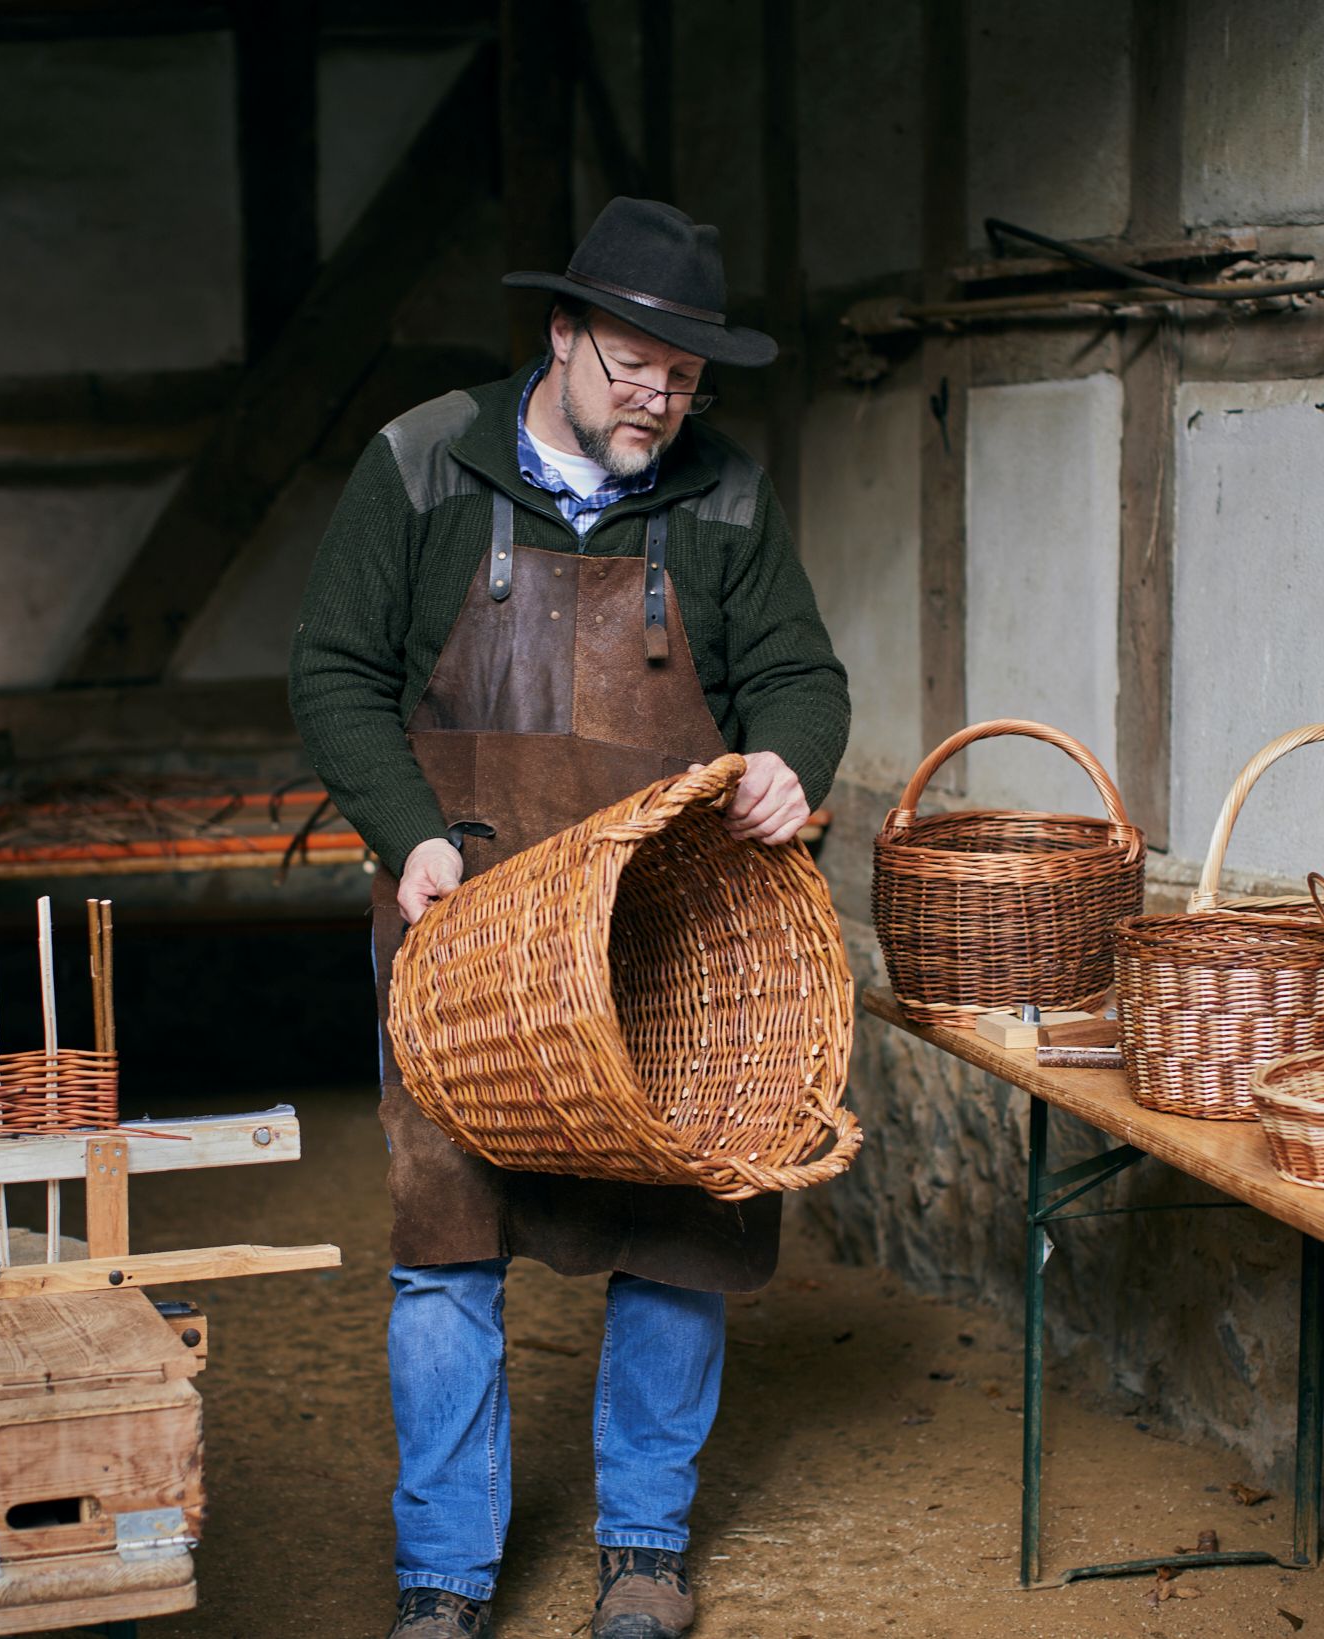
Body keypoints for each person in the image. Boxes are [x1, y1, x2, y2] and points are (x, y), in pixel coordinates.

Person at [289, 196, 852, 1639]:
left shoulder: (722, 495)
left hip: (649, 940)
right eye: (630, 363)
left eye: (682, 375)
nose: (656, 396)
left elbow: (798, 671)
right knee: (443, 1247)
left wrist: (792, 756)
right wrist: (407, 837)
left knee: (677, 1232)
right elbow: (335, 673)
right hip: (459, 911)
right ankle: (443, 1577)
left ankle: (646, 1553)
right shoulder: (423, 462)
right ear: (561, 334)